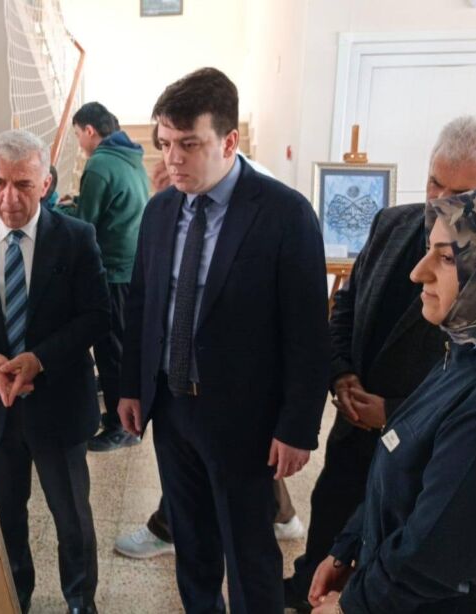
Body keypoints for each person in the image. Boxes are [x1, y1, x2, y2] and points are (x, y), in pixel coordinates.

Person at [284, 115, 476, 612]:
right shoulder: (391, 222)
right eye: (435, 183)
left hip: (425, 451)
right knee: (332, 524)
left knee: (391, 554)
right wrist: (341, 373)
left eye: (461, 193)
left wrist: (391, 412)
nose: (440, 202)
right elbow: (346, 305)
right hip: (353, 427)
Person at [118, 67, 330, 613]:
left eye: (189, 144)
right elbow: (143, 303)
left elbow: (309, 333)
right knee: (191, 542)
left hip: (245, 417)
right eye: (165, 143)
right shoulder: (161, 210)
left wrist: (297, 426)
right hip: (172, 407)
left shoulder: (284, 214)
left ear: (229, 141)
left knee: (248, 549)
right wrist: (133, 386)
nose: (173, 159)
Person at [310, 185, 476, 613]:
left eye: (448, 258)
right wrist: (349, 546)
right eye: (428, 251)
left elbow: (440, 554)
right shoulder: (474, 349)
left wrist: (353, 605)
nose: (418, 273)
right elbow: (401, 460)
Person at [0, 129, 110, 614]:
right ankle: (15, 598)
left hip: (58, 403)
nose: (9, 198)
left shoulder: (75, 238)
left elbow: (97, 315)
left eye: (24, 185)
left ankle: (80, 601)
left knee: (72, 519)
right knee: (5, 519)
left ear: (46, 183)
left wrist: (40, 358)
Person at [54, 102, 150, 453]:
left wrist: (59, 210)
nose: (79, 141)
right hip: (131, 265)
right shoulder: (130, 157)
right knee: (120, 345)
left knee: (111, 350)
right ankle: (126, 414)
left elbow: (86, 223)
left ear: (89, 131)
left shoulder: (99, 164)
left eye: (78, 134)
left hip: (113, 268)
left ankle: (121, 426)